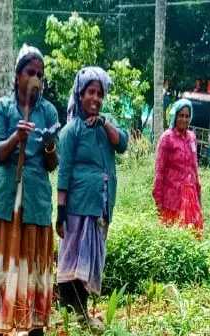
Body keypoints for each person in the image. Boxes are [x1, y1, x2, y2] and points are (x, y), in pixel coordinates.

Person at [0, 44, 59, 336]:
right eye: (30, 72)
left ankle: (35, 332)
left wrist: (49, 146)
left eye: (39, 74)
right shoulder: (4, 108)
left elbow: (52, 164)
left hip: (36, 199)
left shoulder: (48, 112)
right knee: (3, 261)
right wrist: (16, 137)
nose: (35, 78)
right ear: (17, 76)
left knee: (34, 263)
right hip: (7, 197)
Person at [56, 67, 128, 319]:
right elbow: (64, 172)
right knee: (75, 259)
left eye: (99, 94)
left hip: (101, 204)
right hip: (78, 206)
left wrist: (104, 123)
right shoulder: (71, 130)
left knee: (90, 260)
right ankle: (73, 313)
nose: (95, 98)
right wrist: (60, 211)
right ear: (80, 95)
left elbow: (122, 143)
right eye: (90, 92)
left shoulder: (106, 124)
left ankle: (80, 313)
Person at [153, 98, 203, 232]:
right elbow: (159, 170)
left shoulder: (192, 137)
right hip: (171, 200)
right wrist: (158, 199)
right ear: (175, 116)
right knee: (172, 236)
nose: (184, 119)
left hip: (190, 199)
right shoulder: (167, 138)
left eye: (187, 116)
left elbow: (194, 169)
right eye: (181, 115)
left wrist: (198, 195)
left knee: (192, 235)